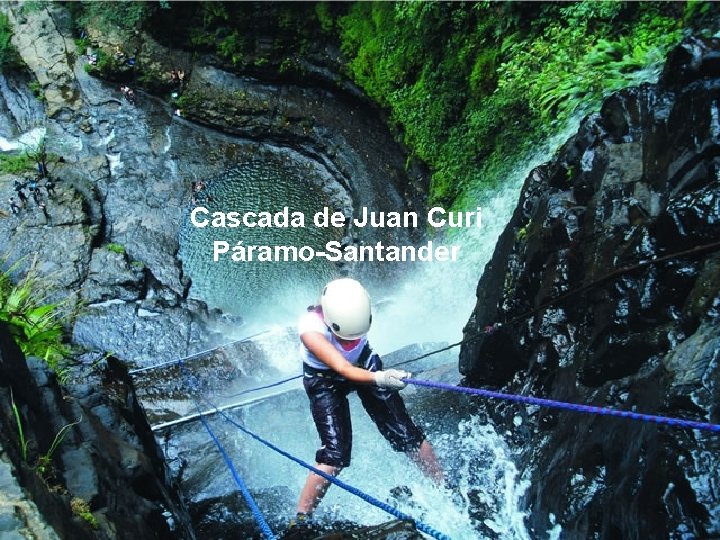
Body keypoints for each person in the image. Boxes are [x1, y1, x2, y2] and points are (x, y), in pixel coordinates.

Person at [292, 278, 443, 529]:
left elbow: (356, 358)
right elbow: (342, 368)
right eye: (345, 337)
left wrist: (378, 374)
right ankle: (301, 519)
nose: (349, 340)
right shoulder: (311, 328)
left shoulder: (356, 306)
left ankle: (442, 487)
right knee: (335, 454)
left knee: (406, 433)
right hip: (324, 380)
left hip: (364, 363)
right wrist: (382, 378)